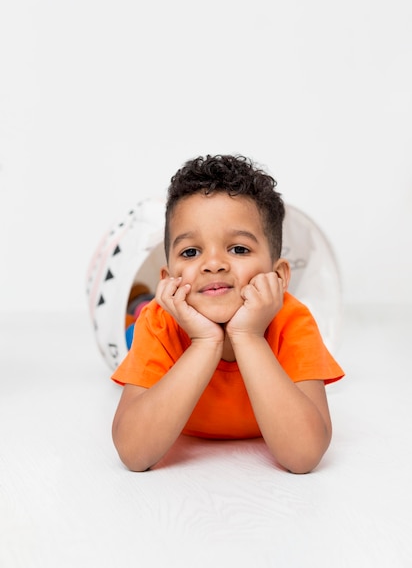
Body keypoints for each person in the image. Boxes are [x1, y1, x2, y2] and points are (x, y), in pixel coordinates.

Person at [111, 154, 345, 473]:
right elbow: (134, 454)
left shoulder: (293, 320)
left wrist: (247, 336)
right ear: (167, 280)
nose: (214, 264)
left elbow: (304, 456)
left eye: (238, 249)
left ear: (279, 276)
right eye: (191, 252)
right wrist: (204, 341)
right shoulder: (158, 321)